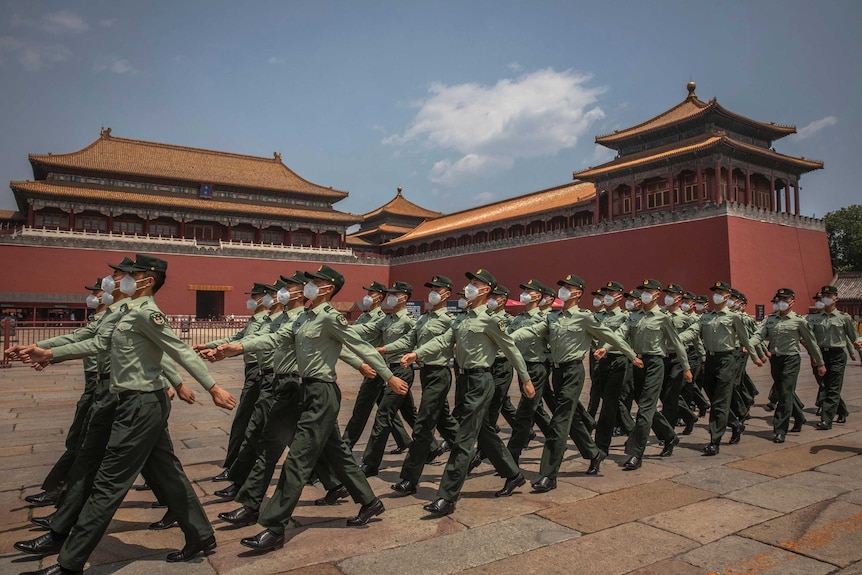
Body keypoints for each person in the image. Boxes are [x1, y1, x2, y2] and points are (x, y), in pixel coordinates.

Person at [18, 254, 237, 575]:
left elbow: (180, 350)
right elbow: (97, 342)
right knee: (167, 472)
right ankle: (201, 536)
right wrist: (50, 354)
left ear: (147, 281)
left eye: (127, 276)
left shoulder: (147, 315)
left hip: (140, 406)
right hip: (131, 403)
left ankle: (69, 563)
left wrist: (212, 386)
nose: (119, 281)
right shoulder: (127, 313)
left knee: (108, 483)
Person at [239, 265, 410, 553]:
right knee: (339, 454)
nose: (308, 286)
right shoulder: (304, 317)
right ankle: (370, 502)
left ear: (328, 288)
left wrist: (388, 376)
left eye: (315, 282)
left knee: (298, 459)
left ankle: (275, 527)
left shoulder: (331, 318)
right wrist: (236, 347)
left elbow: (360, 347)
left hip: (322, 393)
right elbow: (275, 339)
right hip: (306, 391)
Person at [400, 269, 535, 516]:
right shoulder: (461, 318)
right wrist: (417, 353)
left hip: (481, 380)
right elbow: (443, 340)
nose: (469, 287)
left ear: (486, 290)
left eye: (475, 284)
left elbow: (512, 350)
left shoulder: (492, 319)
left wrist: (525, 379)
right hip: (462, 381)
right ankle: (513, 474)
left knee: (463, 438)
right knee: (484, 433)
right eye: (469, 283)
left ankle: (447, 496)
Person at [509, 274, 639, 490]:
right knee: (572, 417)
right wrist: (504, 339)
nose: (563, 291)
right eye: (562, 287)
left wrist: (630, 355)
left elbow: (610, 336)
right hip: (557, 373)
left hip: (573, 372)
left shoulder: (585, 317)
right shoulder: (552, 318)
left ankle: (548, 475)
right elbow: (530, 331)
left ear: (578, 293)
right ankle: (594, 452)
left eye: (568, 288)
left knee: (559, 421)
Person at [211, 271, 311, 525]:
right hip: (276, 381)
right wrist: (223, 347)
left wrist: (385, 372)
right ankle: (245, 491)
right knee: (262, 436)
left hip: (298, 385)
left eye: (288, 288)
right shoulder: (279, 318)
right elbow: (254, 338)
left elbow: (352, 343)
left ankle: (251, 498)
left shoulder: (306, 318)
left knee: (270, 439)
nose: (281, 293)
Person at [19, 277, 108, 506]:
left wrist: (47, 354)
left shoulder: (116, 319)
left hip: (107, 385)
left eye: (97, 292)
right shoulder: (99, 319)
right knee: (84, 441)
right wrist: (45, 353)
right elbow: (77, 341)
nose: (93, 296)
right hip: (98, 382)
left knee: (85, 443)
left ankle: (63, 497)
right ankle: (61, 492)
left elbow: (90, 345)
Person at [382, 275, 460, 495]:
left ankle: (409, 478)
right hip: (426, 374)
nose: (432, 293)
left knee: (423, 424)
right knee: (444, 420)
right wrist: (386, 349)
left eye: (436, 289)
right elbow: (409, 339)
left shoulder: (449, 320)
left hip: (439, 374)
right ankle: (467, 454)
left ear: (446, 294)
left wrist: (416, 354)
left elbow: (441, 343)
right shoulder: (425, 318)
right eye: (430, 288)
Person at [198, 283, 271, 481]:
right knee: (263, 424)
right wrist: (210, 345)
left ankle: (233, 466)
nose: (251, 298)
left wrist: (223, 351)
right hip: (253, 371)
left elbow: (250, 341)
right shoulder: (254, 319)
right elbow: (238, 337)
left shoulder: (267, 320)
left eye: (255, 295)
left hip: (259, 371)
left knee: (245, 421)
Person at [617, 279, 692, 470]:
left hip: (655, 364)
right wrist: (604, 347)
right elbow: (619, 334)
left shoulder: (663, 317)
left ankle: (636, 453)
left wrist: (686, 367)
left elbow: (676, 343)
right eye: (643, 291)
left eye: (648, 291)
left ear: (657, 295)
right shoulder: (634, 317)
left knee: (645, 410)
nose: (644, 295)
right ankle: (669, 436)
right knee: (644, 405)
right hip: (637, 362)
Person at [749, 288, 824, 443]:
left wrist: (819, 362)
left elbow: (811, 343)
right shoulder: (770, 319)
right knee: (784, 390)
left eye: (785, 299)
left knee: (784, 391)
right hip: (775, 360)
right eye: (779, 299)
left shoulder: (799, 321)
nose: (781, 302)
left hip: (791, 359)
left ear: (792, 301)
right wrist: (748, 346)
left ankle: (779, 429)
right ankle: (799, 417)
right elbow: (759, 335)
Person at [808, 285, 862, 429]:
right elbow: (810, 339)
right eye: (824, 296)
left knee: (833, 388)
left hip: (837, 355)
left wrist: (857, 343)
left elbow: (853, 336)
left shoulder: (844, 318)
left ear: (836, 298)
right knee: (825, 386)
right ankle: (842, 410)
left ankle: (826, 419)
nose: (825, 299)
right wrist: (813, 356)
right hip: (820, 355)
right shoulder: (815, 318)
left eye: (829, 296)